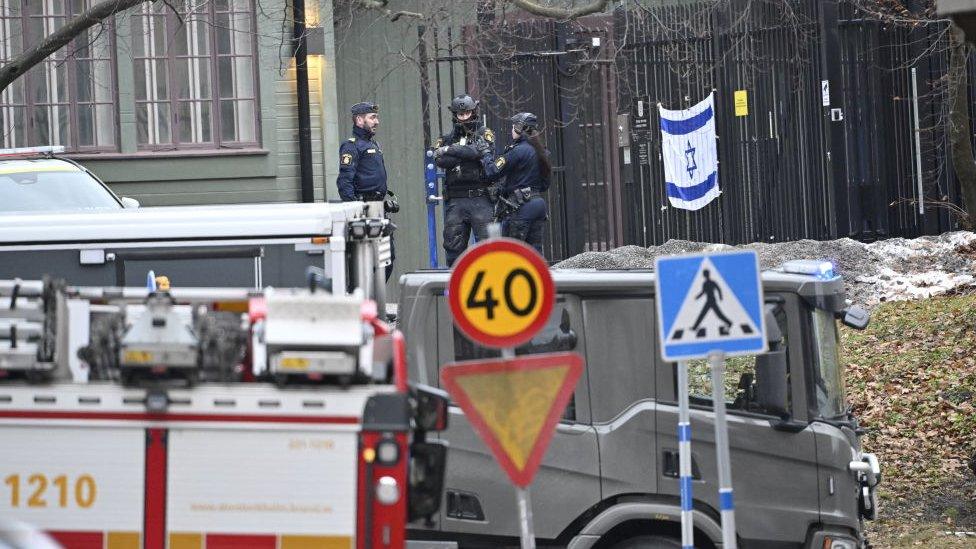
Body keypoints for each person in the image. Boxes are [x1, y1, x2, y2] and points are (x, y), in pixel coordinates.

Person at [432, 94, 496, 267]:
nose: (464, 117)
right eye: (460, 114)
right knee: (453, 248)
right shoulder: (445, 137)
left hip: (480, 198)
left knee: (488, 249)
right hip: (456, 200)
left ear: (473, 112)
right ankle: (456, 290)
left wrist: (451, 150)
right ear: (455, 114)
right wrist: (468, 153)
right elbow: (440, 161)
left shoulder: (484, 133)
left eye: (467, 113)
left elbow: (481, 152)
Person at [336, 101, 396, 280]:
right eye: (372, 117)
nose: (376, 121)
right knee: (362, 262)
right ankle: (362, 300)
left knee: (386, 260)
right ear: (359, 120)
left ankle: (375, 302)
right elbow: (344, 182)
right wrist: (355, 209)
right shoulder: (351, 146)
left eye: (376, 117)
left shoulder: (374, 145)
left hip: (379, 209)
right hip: (364, 210)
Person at [478, 112, 550, 256]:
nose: (511, 130)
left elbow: (492, 171)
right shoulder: (542, 151)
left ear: (519, 128)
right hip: (538, 205)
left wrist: (485, 153)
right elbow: (544, 184)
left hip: (520, 208)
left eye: (513, 127)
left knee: (512, 254)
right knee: (535, 254)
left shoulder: (518, 151)